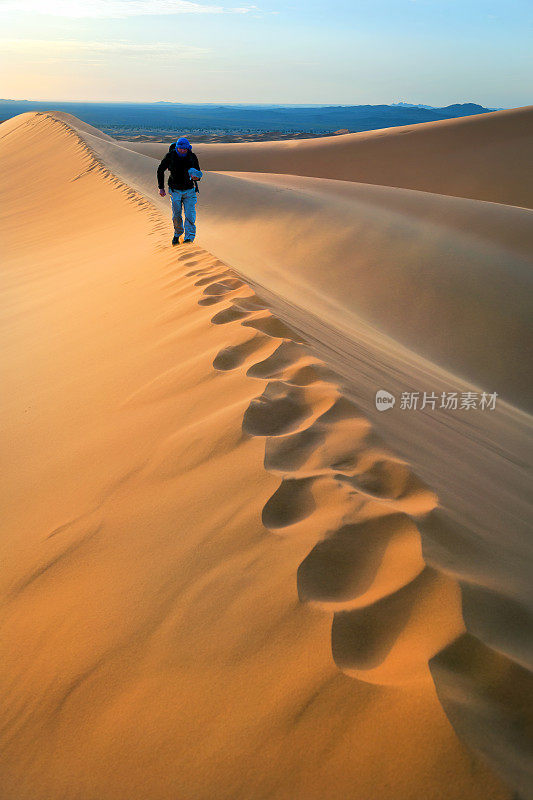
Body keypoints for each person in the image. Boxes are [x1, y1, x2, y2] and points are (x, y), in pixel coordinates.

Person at [157, 137, 203, 245]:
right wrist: (161, 187)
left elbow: (198, 173)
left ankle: (189, 239)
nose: (183, 150)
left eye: (185, 149)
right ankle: (177, 234)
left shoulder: (192, 157)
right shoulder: (170, 156)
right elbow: (160, 170)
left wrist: (196, 177)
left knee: (190, 215)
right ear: (177, 147)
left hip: (190, 191)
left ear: (188, 148)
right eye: (180, 148)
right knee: (176, 215)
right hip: (175, 190)